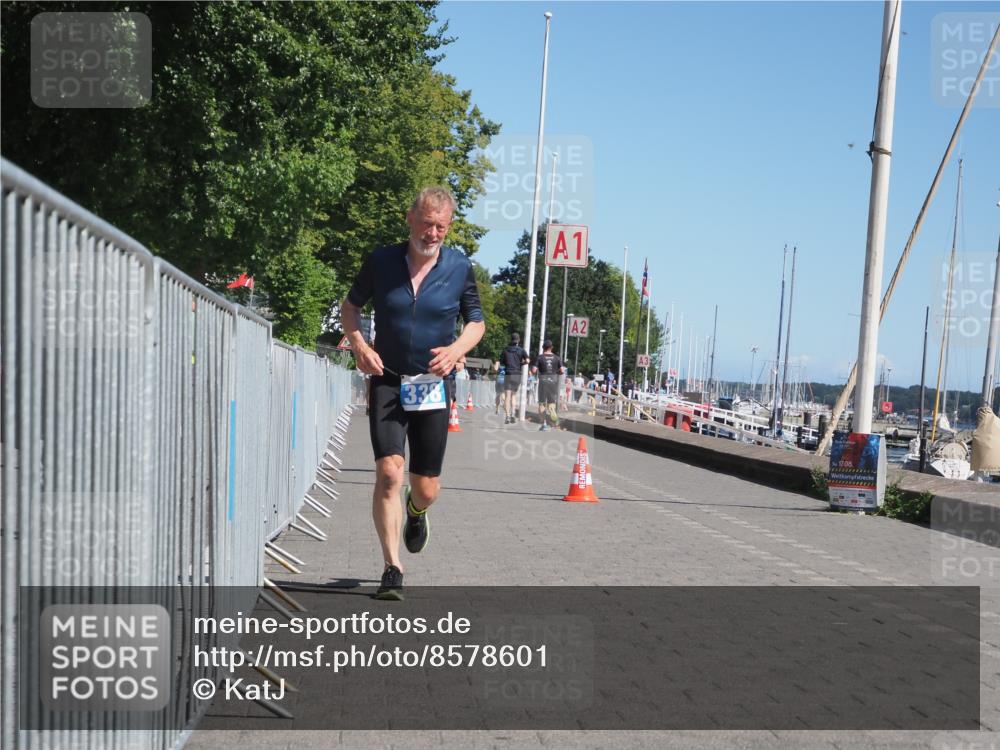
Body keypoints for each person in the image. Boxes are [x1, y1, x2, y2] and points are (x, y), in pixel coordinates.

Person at [341, 187, 485, 601]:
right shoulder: (382, 260)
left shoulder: (459, 267)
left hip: (432, 385)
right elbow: (350, 307)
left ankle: (417, 512)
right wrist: (359, 344)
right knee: (389, 472)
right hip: (386, 377)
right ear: (410, 218)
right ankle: (392, 568)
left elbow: (476, 322)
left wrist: (458, 349)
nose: (433, 232)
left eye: (441, 225)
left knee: (426, 487)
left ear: (449, 226)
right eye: (426, 222)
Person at [532, 340, 565, 431]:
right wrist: (555, 372)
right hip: (553, 382)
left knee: (542, 403)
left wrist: (535, 371)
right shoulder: (557, 358)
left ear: (543, 348)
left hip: (543, 381)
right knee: (551, 402)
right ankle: (552, 411)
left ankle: (544, 424)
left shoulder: (540, 357)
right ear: (551, 347)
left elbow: (534, 370)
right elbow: (562, 371)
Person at [500, 333, 529, 424]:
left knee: (507, 396)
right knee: (514, 395)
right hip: (517, 374)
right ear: (518, 340)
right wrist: (520, 364)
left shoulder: (505, 350)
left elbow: (502, 363)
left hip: (508, 373)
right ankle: (513, 414)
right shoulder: (521, 350)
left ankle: (507, 416)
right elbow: (528, 360)